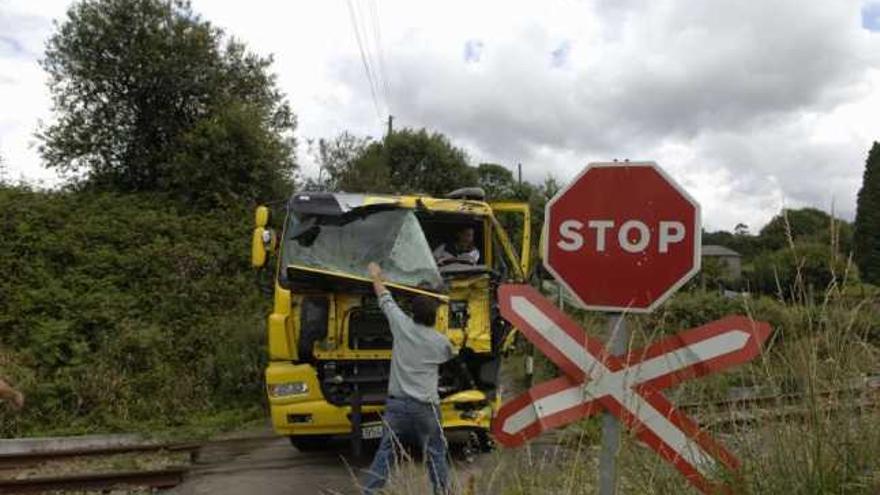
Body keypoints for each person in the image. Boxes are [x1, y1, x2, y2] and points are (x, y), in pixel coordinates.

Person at [362, 262, 455, 495]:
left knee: (386, 453)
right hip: (426, 408)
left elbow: (385, 298)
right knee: (436, 452)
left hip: (397, 407)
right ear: (434, 315)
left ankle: (369, 492)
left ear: (412, 313)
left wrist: (376, 275)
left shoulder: (401, 326)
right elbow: (451, 355)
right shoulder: (441, 343)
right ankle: (441, 492)